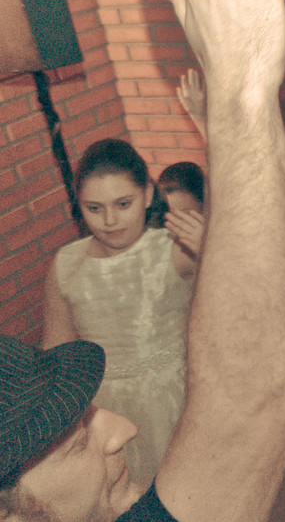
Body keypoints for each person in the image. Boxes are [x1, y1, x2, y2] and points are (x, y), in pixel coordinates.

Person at [2, 0, 285, 519]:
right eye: (69, 448)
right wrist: (243, 88)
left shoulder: (166, 246)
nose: (116, 430)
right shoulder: (66, 268)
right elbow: (258, 397)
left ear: (146, 196)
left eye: (86, 419)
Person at [41, 139, 197, 489]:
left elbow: (242, 306)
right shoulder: (67, 264)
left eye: (123, 204)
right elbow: (58, 353)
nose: (109, 221)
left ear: (146, 195)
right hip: (104, 411)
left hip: (178, 401)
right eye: (94, 208)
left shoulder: (175, 247)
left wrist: (211, 251)